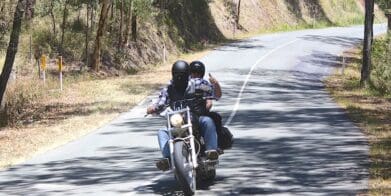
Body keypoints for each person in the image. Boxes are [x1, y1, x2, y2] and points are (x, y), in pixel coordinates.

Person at [147, 60, 219, 171]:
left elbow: (215, 94)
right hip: (177, 121)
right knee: (162, 132)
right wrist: (151, 108)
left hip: (195, 118)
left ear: (188, 74)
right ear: (173, 74)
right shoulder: (169, 89)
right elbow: (160, 102)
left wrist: (215, 85)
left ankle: (211, 153)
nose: (180, 77)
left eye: (183, 75)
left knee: (208, 121)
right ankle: (168, 159)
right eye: (177, 75)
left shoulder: (198, 83)